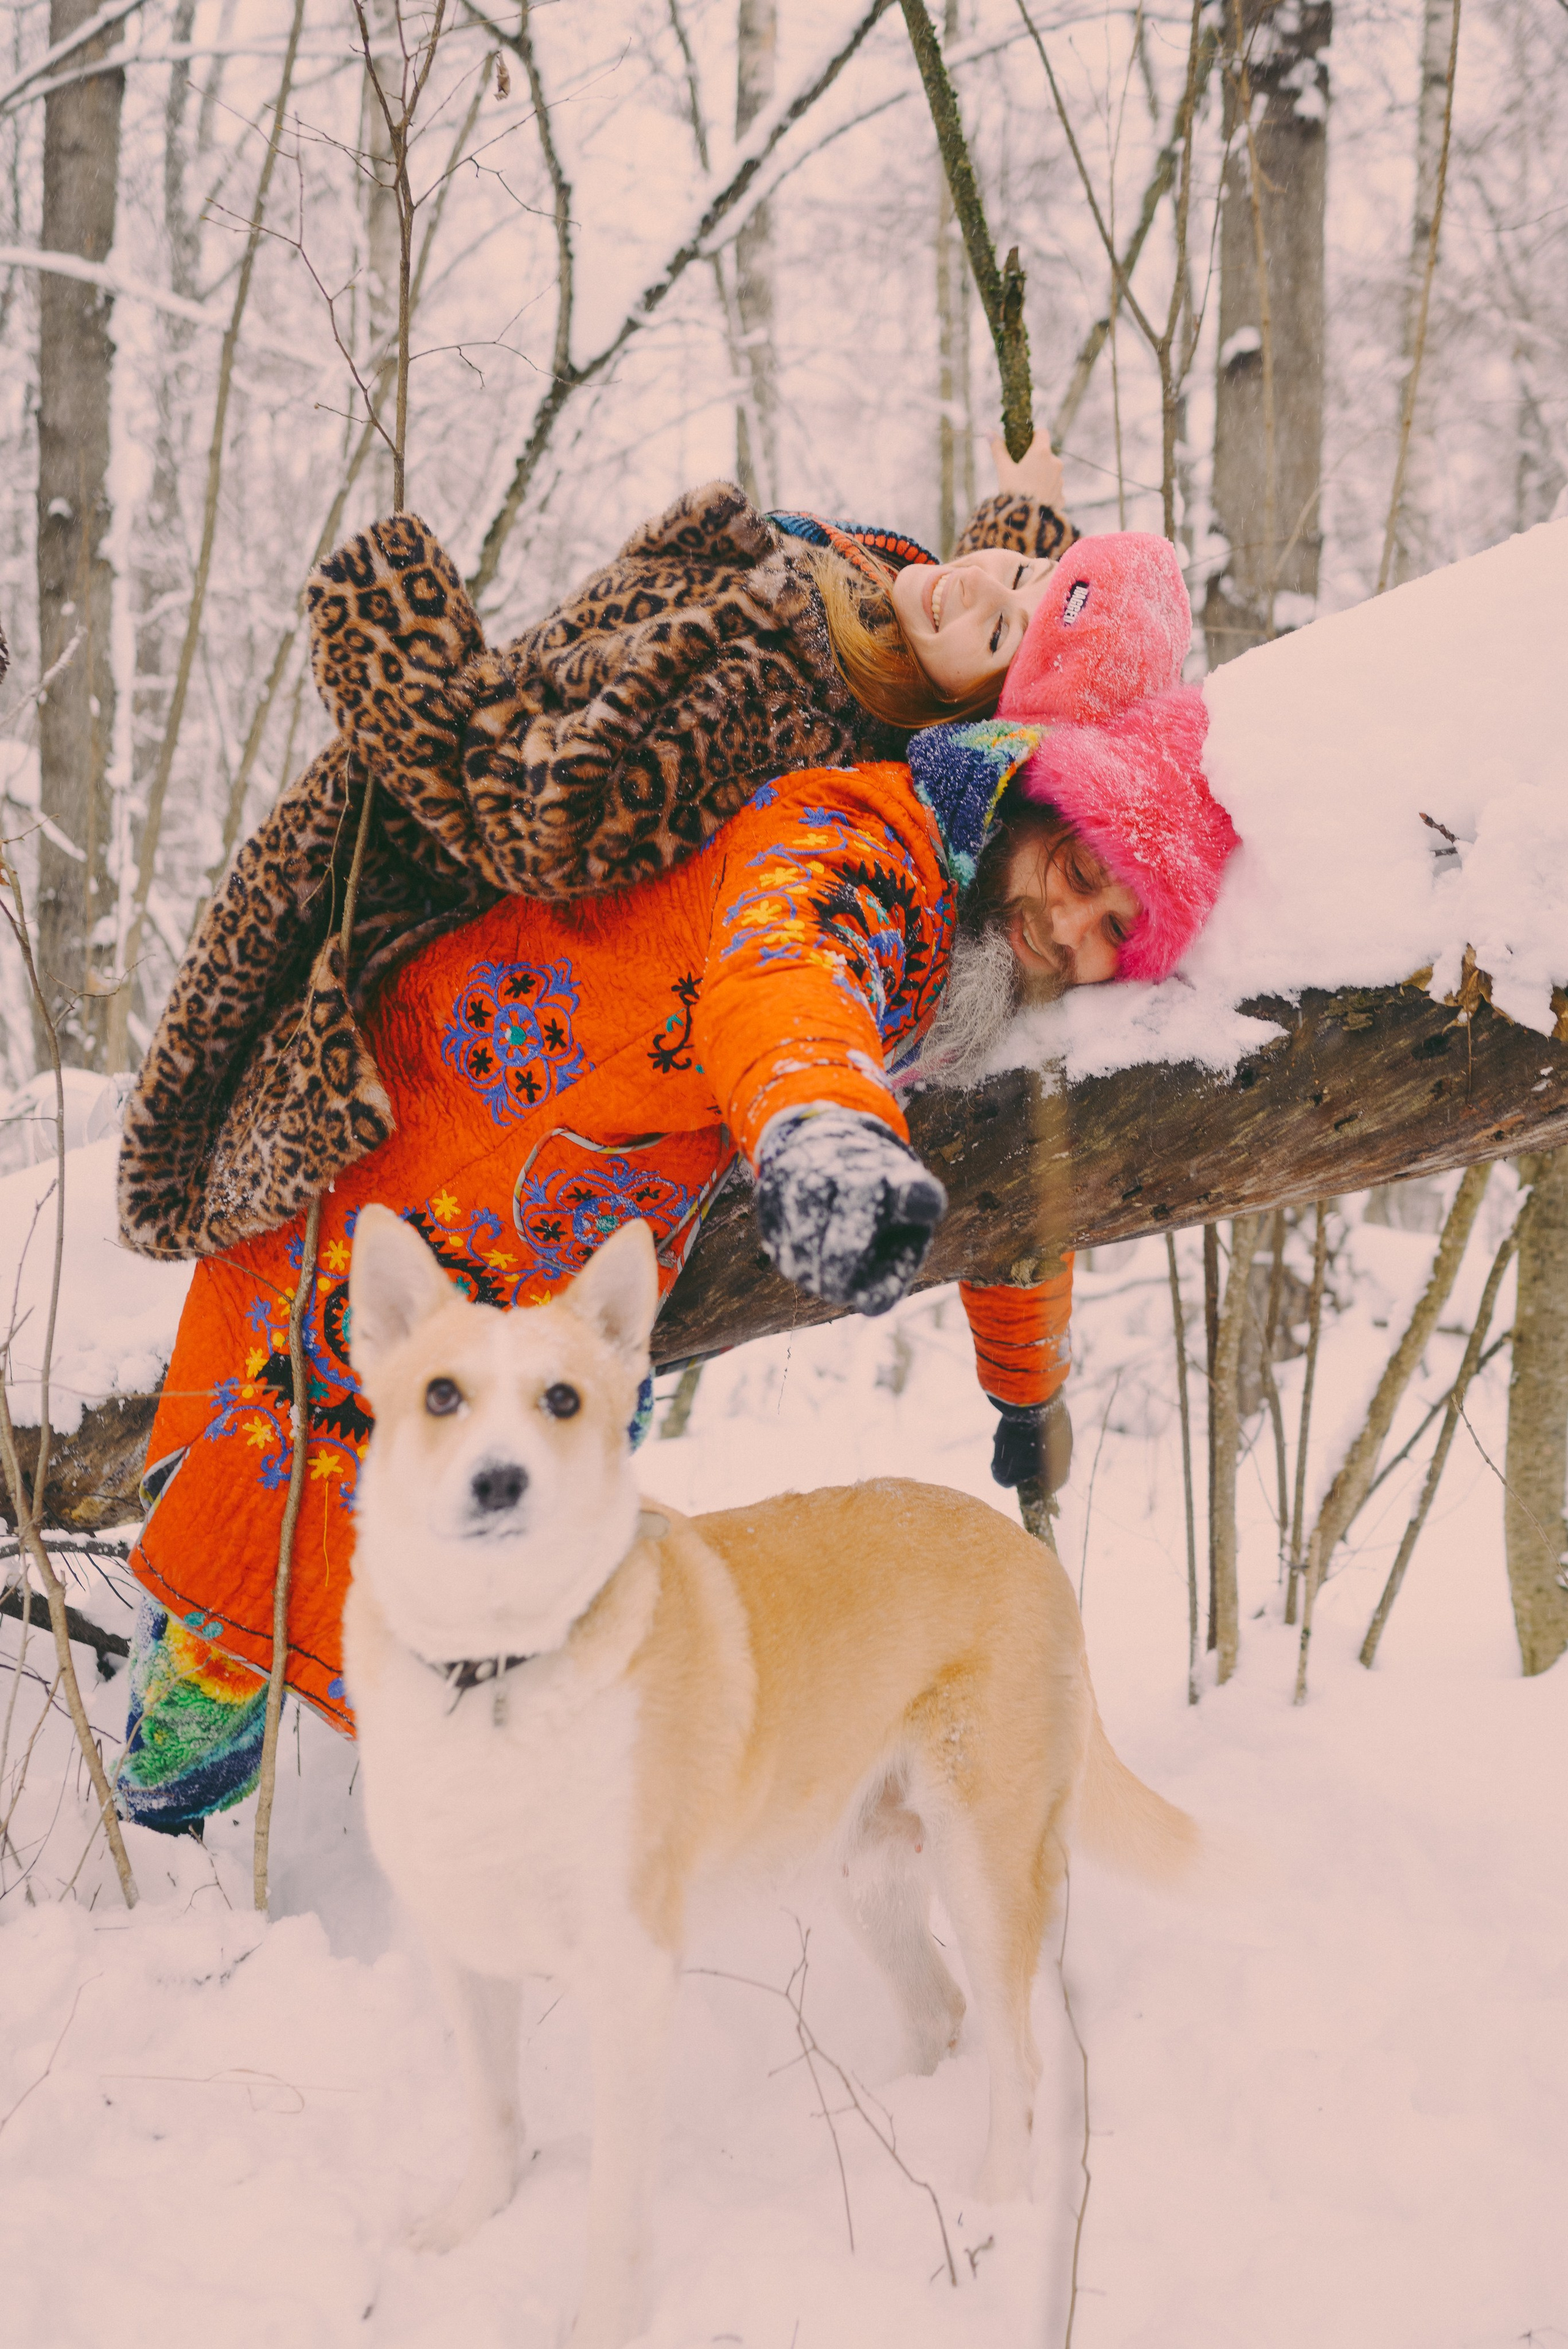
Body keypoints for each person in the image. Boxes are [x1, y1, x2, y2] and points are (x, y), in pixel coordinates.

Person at [113, 526, 1238, 1836]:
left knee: (487, 1547)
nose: (1073, 926)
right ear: (1035, 800)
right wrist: (819, 1127)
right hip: (439, 1144)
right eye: (1084, 873)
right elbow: (786, 962)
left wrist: (1026, 1383)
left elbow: (1006, 1162)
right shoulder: (872, 836)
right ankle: (161, 1854)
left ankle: (390, 1823)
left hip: (558, 1220)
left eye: (1116, 933)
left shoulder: (976, 953)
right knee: (264, 1530)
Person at [117, 435, 1075, 1267]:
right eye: (1024, 571)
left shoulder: (779, 698)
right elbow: (1004, 616)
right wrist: (1028, 520)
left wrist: (396, 634)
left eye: (1000, 627)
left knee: (214, 1081)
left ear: (965, 713)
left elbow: (543, 824)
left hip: (396, 869)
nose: (983, 584)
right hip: (391, 854)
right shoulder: (878, 614)